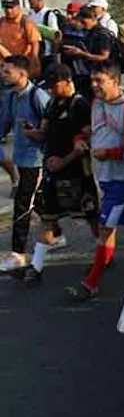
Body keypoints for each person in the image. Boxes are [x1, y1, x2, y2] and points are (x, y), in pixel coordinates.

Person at [11, 63, 98, 284]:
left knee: (91, 216)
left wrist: (64, 160)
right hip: (53, 172)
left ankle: (103, 256)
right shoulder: (52, 104)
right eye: (48, 86)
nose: (51, 89)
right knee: (47, 218)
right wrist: (31, 133)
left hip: (77, 172)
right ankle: (36, 267)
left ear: (67, 81)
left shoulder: (79, 105)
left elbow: (87, 141)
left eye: (54, 85)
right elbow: (44, 132)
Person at [65, 61, 124, 301]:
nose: (94, 85)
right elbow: (92, 131)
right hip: (105, 175)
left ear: (115, 81)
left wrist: (109, 153)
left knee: (105, 227)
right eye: (92, 80)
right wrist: (79, 140)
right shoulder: (97, 103)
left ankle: (91, 283)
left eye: (99, 81)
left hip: (122, 177)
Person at [0, 55, 52, 273]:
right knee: (35, 198)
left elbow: (52, 126)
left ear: (22, 73)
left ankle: (18, 254)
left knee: (22, 203)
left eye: (7, 71)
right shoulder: (12, 97)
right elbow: (4, 124)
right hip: (21, 158)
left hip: (36, 160)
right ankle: (55, 232)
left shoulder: (37, 96)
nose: (2, 74)